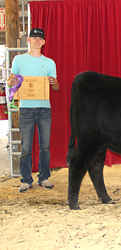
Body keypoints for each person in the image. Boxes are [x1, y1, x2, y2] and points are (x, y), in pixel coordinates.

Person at [8, 28, 60, 193]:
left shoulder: (50, 62)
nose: (37, 41)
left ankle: (43, 178)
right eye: (34, 38)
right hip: (25, 108)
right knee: (26, 147)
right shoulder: (19, 59)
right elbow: (10, 83)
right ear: (28, 40)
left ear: (44, 42)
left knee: (45, 146)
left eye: (40, 38)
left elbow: (57, 88)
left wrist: (53, 82)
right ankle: (26, 180)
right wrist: (10, 80)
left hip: (45, 109)